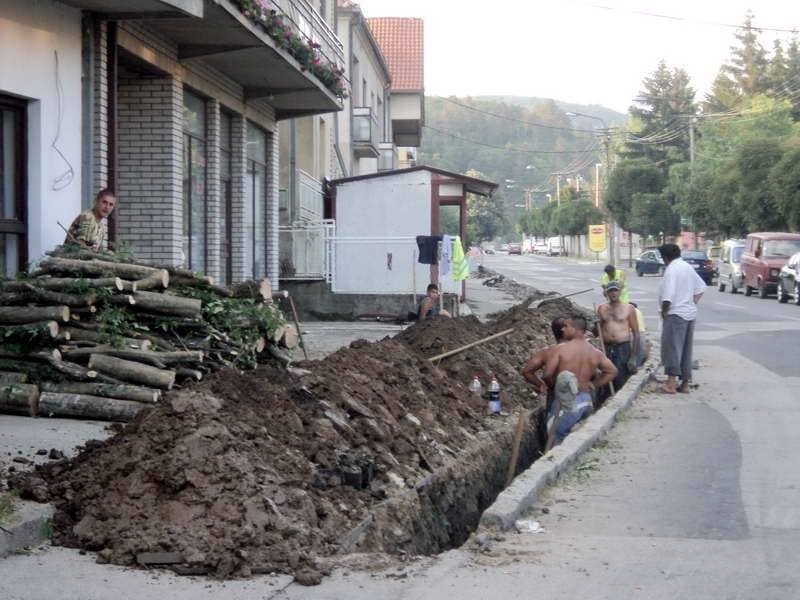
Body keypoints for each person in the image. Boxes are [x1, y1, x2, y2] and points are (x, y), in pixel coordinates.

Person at [544, 316, 618, 445]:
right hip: (586, 400)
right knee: (578, 436)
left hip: (567, 401)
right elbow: (612, 371)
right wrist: (594, 384)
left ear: (576, 329)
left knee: (554, 434)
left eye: (566, 326)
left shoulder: (560, 349)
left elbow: (547, 375)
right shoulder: (595, 352)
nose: (562, 329)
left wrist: (554, 388)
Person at [658, 243, 706, 394]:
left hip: (675, 314)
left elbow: (668, 296)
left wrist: (664, 311)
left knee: (672, 348)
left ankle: (671, 383)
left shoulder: (671, 269)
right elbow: (701, 288)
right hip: (689, 313)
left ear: (665, 257)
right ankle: (684, 383)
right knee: (686, 349)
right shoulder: (687, 267)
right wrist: (690, 303)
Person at [596, 281, 640, 391]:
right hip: (607, 348)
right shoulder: (601, 308)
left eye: (615, 290)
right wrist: (596, 323)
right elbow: (597, 332)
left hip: (623, 348)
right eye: (611, 291)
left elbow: (636, 333)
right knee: (607, 378)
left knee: (621, 378)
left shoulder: (629, 308)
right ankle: (607, 397)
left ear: (620, 292)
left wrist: (633, 357)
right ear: (607, 293)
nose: (613, 293)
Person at [630, 302, 649, 367]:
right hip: (642, 333)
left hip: (633, 333)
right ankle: (637, 366)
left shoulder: (629, 311)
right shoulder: (639, 312)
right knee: (640, 354)